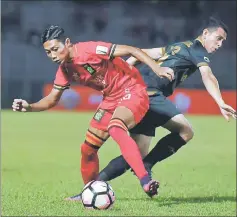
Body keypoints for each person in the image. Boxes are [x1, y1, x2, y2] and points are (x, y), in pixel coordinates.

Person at [65, 17, 236, 201]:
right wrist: (219, 101)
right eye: (218, 38)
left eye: (223, 41)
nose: (219, 44)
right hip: (150, 94)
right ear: (205, 34)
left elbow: (144, 53)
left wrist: (124, 72)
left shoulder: (178, 47)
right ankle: (147, 165)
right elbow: (207, 75)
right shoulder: (197, 49)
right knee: (186, 131)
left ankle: (88, 191)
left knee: (135, 155)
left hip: (139, 93)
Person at [12, 25, 174, 197]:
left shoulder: (89, 49)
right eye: (48, 52)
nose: (53, 56)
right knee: (87, 149)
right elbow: (52, 99)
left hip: (132, 90)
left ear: (67, 43)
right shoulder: (65, 69)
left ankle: (145, 181)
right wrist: (30, 107)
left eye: (55, 49)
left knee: (115, 127)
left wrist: (158, 69)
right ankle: (88, 193)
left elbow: (131, 50)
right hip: (110, 99)